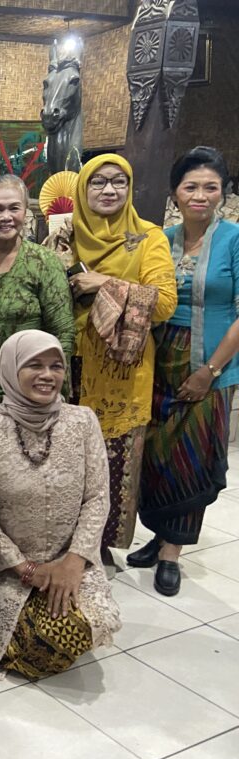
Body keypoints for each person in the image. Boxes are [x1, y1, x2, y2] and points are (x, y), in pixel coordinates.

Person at [0, 330, 120, 680]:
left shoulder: (83, 420)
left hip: (72, 562)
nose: (48, 375)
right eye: (34, 365)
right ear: (11, 370)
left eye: (56, 366)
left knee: (90, 625)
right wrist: (25, 569)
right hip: (8, 571)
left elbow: (98, 497)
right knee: (36, 644)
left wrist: (73, 562)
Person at [130, 147, 239, 596]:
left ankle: (173, 551)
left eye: (209, 187)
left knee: (189, 459)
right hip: (159, 360)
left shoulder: (234, 239)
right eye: (190, 186)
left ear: (223, 193)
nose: (200, 195)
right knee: (156, 456)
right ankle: (159, 534)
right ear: (175, 192)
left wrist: (210, 370)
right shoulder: (160, 238)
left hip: (208, 365)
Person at [68, 154, 177, 557]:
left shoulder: (149, 238)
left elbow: (165, 302)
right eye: (98, 182)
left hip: (119, 371)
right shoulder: (65, 234)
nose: (110, 190)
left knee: (110, 461)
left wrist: (106, 283)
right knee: (67, 459)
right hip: (66, 365)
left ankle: (97, 549)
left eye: (119, 182)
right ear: (83, 188)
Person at [0, 175, 75, 413]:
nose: (6, 217)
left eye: (14, 208)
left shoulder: (44, 263)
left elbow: (62, 333)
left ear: (25, 212)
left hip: (27, 392)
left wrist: (52, 386)